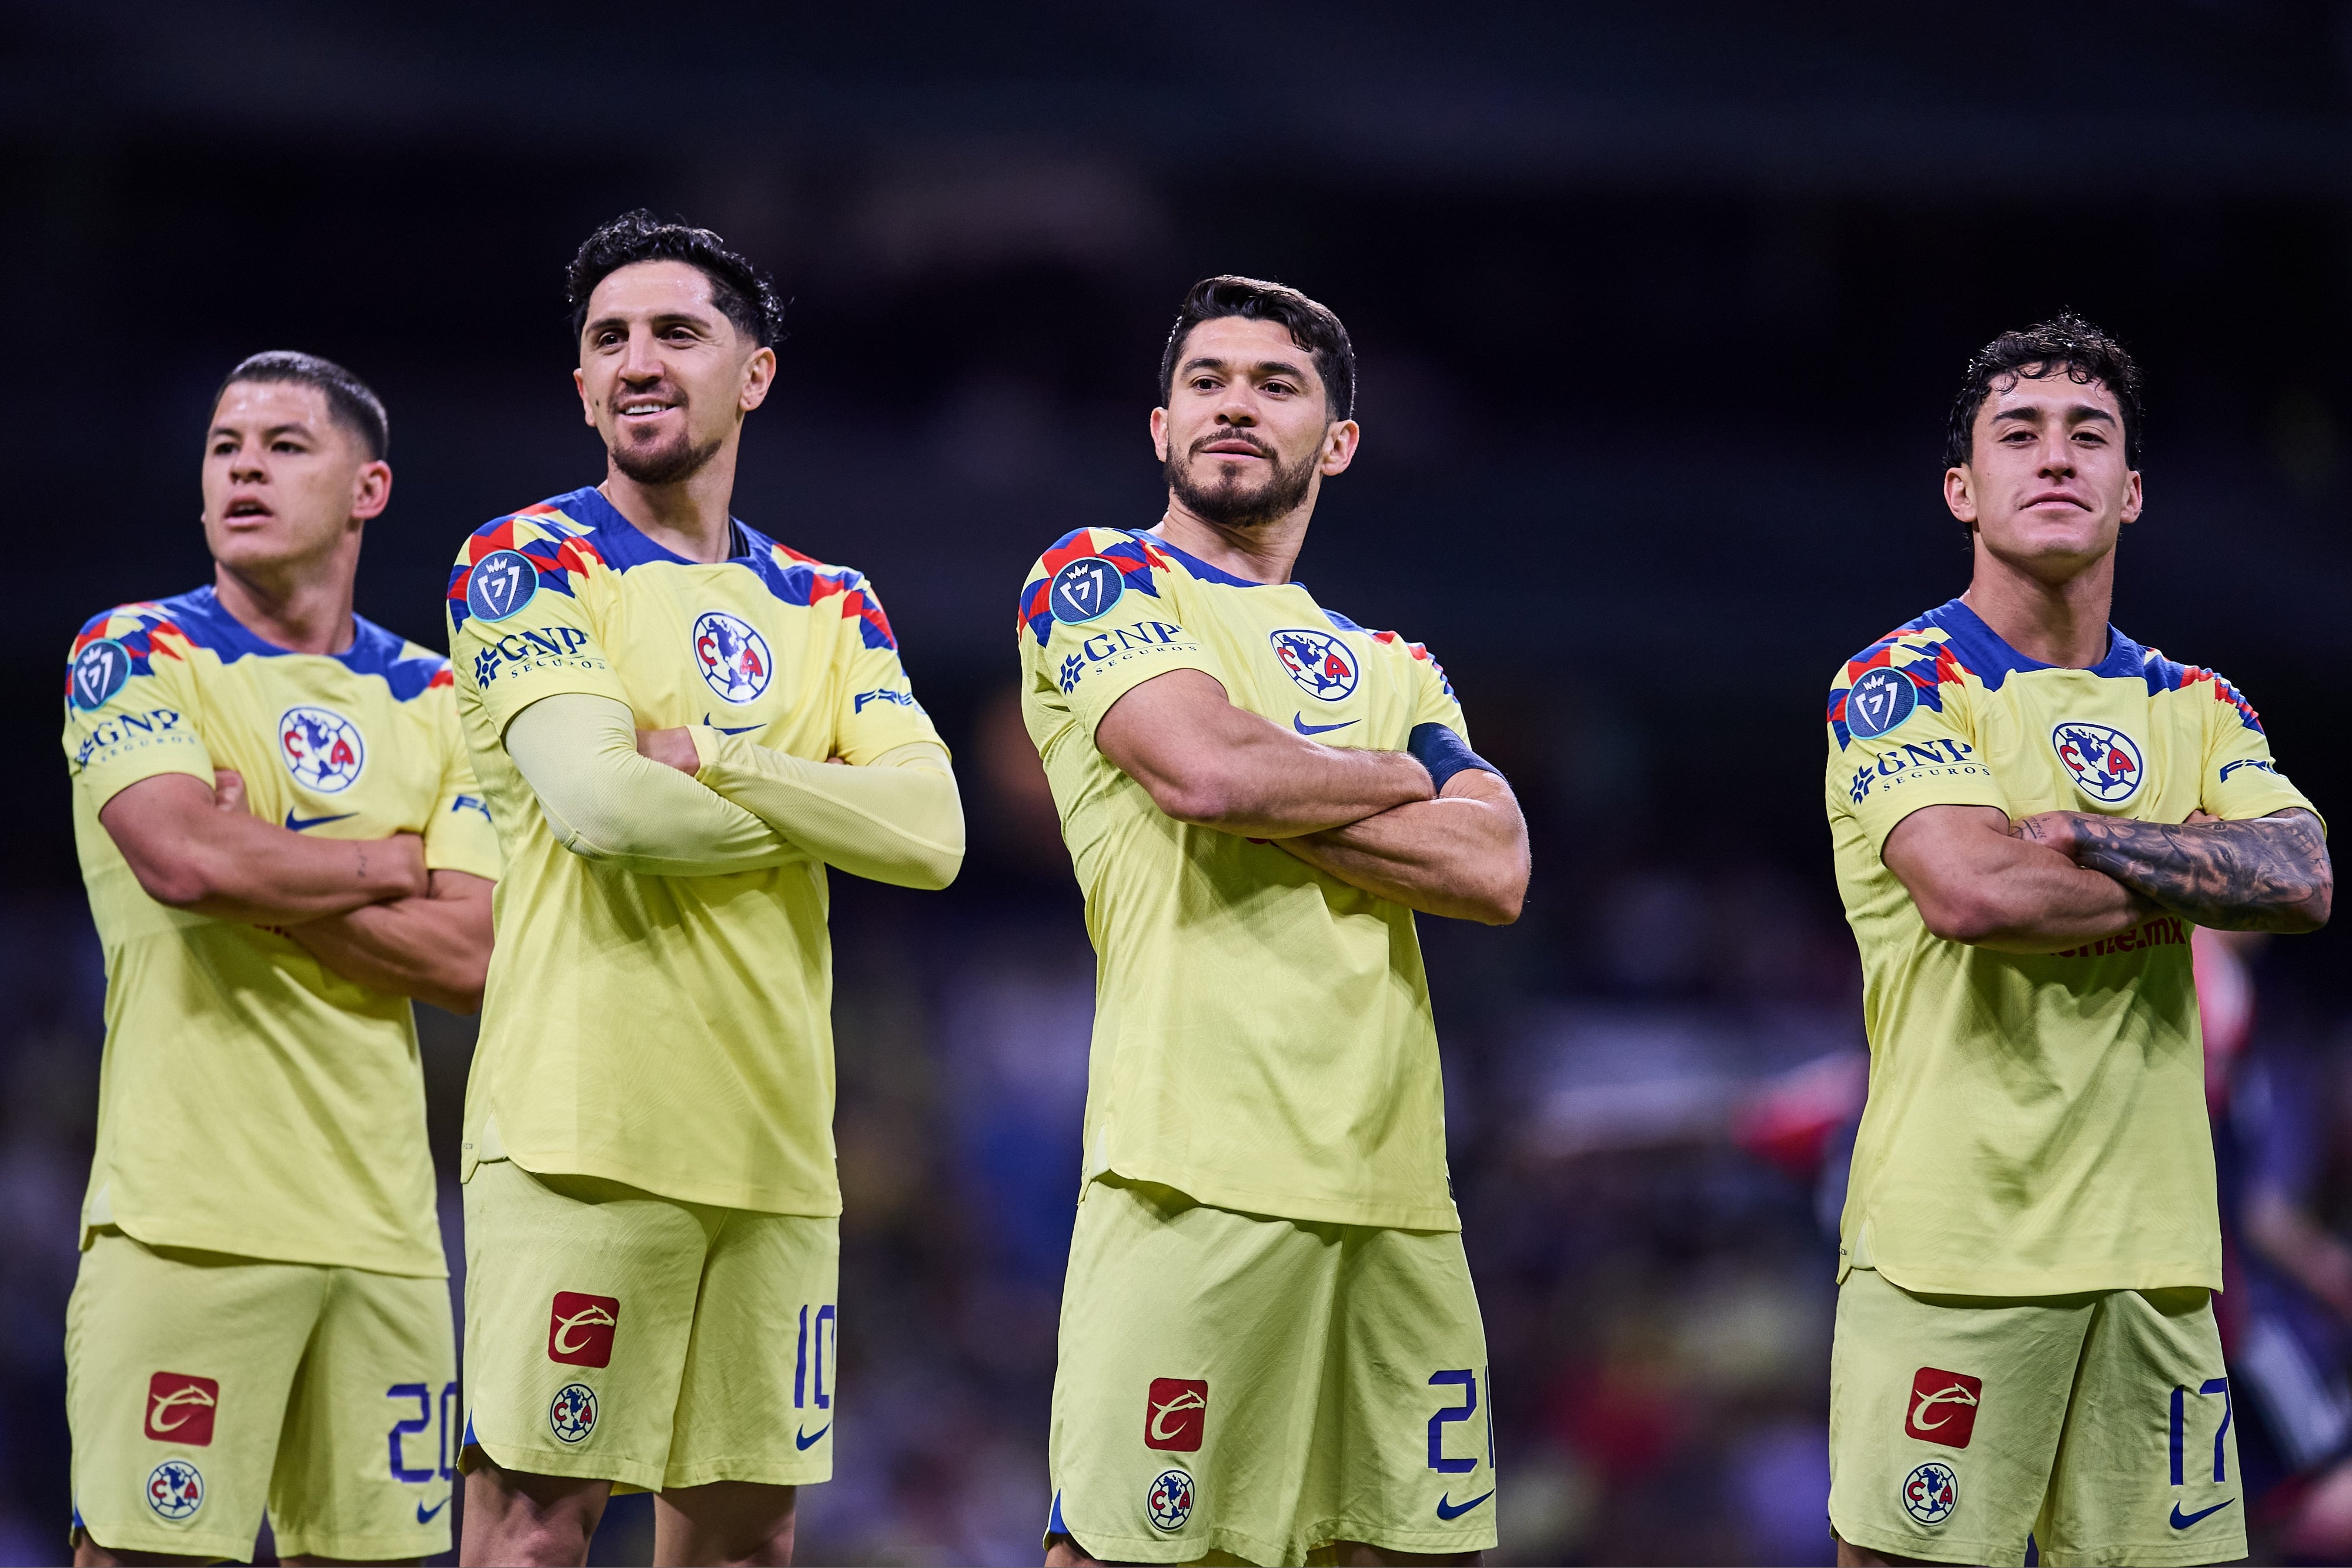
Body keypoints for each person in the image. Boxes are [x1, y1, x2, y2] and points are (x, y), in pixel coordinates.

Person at [446, 211, 964, 1568]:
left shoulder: (831, 600)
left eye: (676, 331)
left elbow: (933, 831)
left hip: (775, 1153)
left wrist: (725, 760)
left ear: (755, 374)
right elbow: (605, 804)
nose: (637, 360)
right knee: (534, 1528)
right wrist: (815, 800)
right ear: (579, 387)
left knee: (745, 1540)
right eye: (607, 340)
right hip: (580, 1133)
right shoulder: (523, 563)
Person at [1017, 275, 1531, 1566]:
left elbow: (1497, 866)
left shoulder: (1392, 660)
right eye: (1206, 381)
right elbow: (1203, 771)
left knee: (1413, 1549)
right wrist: (1401, 775)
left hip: (1397, 1187)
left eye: (1273, 383)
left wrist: (1271, 781)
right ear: (1158, 426)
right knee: (1129, 1551)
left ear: (1336, 442)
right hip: (1191, 1169)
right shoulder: (1093, 577)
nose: (1233, 405)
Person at [1821, 312, 2333, 1567]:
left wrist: (2080, 834)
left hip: (2161, 1269)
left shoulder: (2198, 702)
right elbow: (1974, 894)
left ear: (2131, 489)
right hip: (1955, 1254)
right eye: (2018, 434)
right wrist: (2194, 869)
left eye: (2087, 435)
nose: (2054, 457)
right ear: (1963, 488)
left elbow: (2305, 876)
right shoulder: (1898, 679)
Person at [59, 352, 499, 1564]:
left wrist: (267, 859)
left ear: (370, 487)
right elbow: (184, 863)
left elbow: (475, 951)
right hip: (186, 1223)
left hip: (387, 1238)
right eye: (223, 447)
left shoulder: (442, 699)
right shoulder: (135, 653)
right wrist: (379, 863)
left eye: (284, 444)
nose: (244, 464)